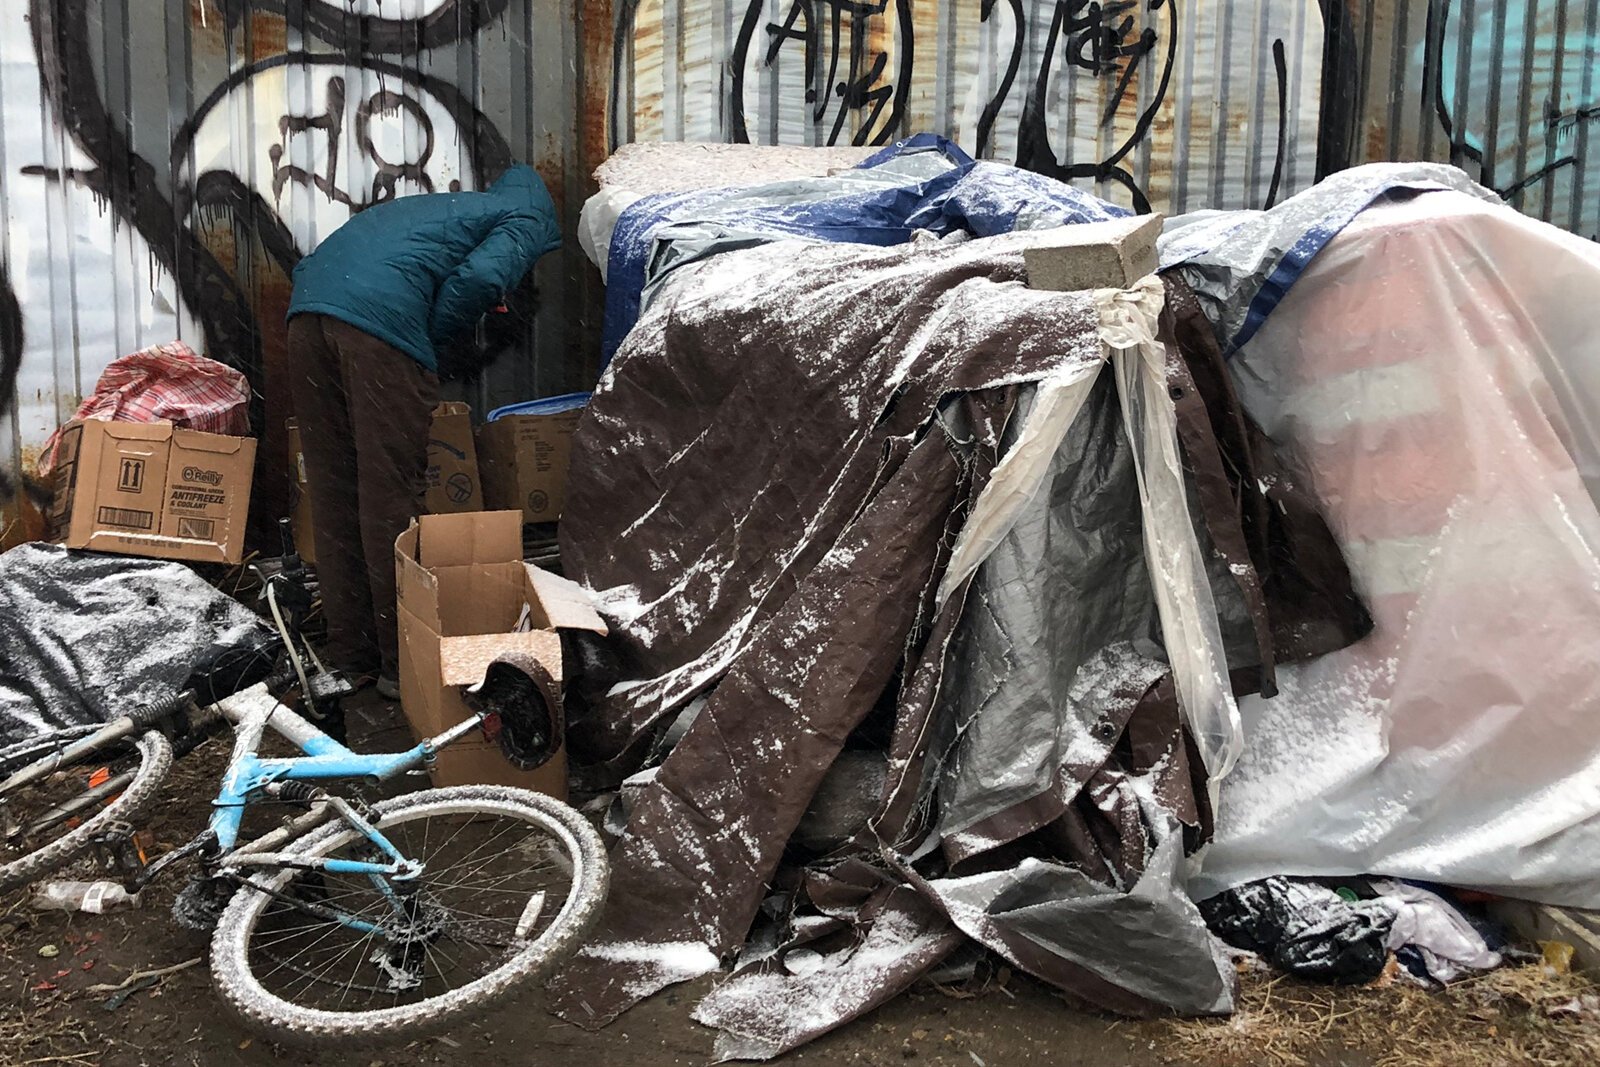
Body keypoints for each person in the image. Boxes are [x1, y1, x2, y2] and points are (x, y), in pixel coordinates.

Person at [286, 164, 560, 698]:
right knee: (389, 497)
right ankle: (400, 664)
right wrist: (425, 343)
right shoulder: (527, 214)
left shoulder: (445, 210)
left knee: (334, 492)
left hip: (307, 316)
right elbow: (481, 280)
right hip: (376, 326)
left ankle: (350, 658)